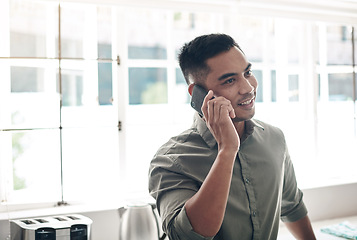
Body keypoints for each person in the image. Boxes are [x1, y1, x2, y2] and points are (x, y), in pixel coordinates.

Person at [148, 33, 316, 240]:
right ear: (198, 93)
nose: (248, 88)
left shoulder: (275, 138)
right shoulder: (171, 160)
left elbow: (292, 206)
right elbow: (186, 236)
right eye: (229, 80)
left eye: (248, 73)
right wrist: (227, 150)